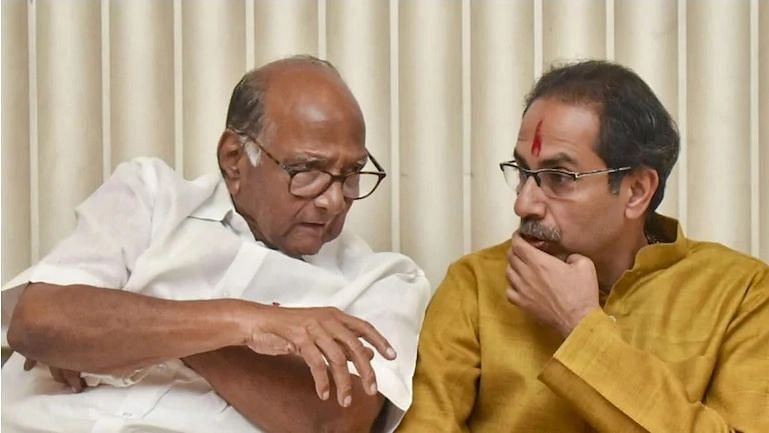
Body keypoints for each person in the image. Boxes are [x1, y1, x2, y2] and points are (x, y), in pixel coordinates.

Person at [1, 55, 431, 433]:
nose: (334, 200)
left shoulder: (384, 280)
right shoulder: (150, 196)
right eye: (308, 171)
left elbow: (337, 423)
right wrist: (245, 321)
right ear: (235, 160)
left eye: (351, 173)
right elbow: (37, 323)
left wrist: (130, 331)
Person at [397, 60, 768, 432]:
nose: (523, 204)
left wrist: (578, 325)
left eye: (560, 177)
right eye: (524, 172)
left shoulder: (740, 292)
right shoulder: (476, 284)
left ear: (637, 190)